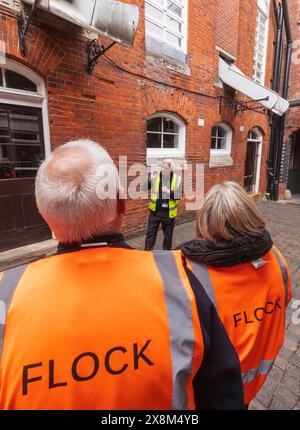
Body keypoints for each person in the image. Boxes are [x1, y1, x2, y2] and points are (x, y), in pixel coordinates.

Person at [0, 140, 244, 410]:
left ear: (45, 216)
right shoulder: (180, 283)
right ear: (121, 205)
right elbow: (224, 392)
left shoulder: (6, 293)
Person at [180, 181, 292, 407]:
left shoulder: (189, 275)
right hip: (250, 386)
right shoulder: (277, 260)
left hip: (209, 394)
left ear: (205, 221)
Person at [144, 159, 181, 251]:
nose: (163, 169)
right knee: (150, 235)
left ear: (171, 169)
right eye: (162, 167)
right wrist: (150, 180)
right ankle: (147, 254)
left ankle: (166, 256)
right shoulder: (156, 176)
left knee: (168, 238)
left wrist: (168, 192)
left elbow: (178, 196)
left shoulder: (177, 179)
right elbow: (143, 188)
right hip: (155, 213)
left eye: (165, 167)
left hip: (168, 214)